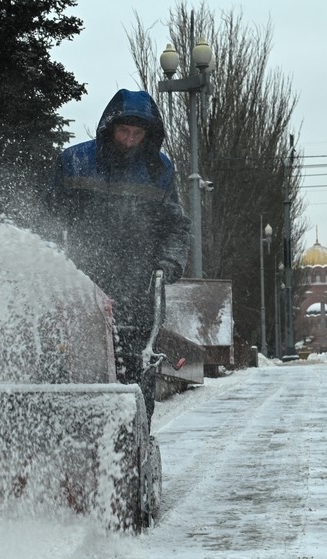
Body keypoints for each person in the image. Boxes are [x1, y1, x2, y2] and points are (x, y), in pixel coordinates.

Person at [43, 88, 190, 391]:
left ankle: (137, 417)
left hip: (138, 283)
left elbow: (174, 225)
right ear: (109, 128)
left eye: (137, 133)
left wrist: (170, 261)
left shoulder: (159, 170)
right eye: (124, 131)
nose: (129, 139)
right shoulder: (75, 162)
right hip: (83, 277)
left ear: (148, 134)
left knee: (138, 364)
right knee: (74, 357)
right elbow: (48, 216)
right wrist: (52, 260)